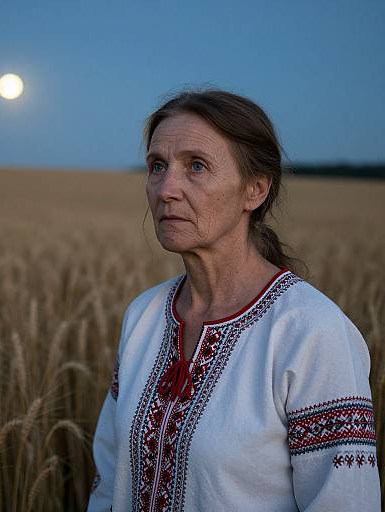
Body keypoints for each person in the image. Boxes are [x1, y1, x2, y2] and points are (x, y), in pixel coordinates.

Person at [86, 89, 381, 511]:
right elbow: (108, 482)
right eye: (157, 166)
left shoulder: (310, 331)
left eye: (197, 166)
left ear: (255, 190)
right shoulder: (144, 316)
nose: (166, 189)